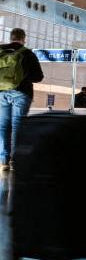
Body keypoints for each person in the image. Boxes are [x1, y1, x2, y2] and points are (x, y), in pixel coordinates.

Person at [0, 28, 44, 172]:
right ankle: (15, 159)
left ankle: (3, 160)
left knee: (3, 126)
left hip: (2, 93)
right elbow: (38, 77)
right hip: (22, 93)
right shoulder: (27, 53)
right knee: (18, 125)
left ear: (10, 37)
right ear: (23, 38)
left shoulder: (1, 50)